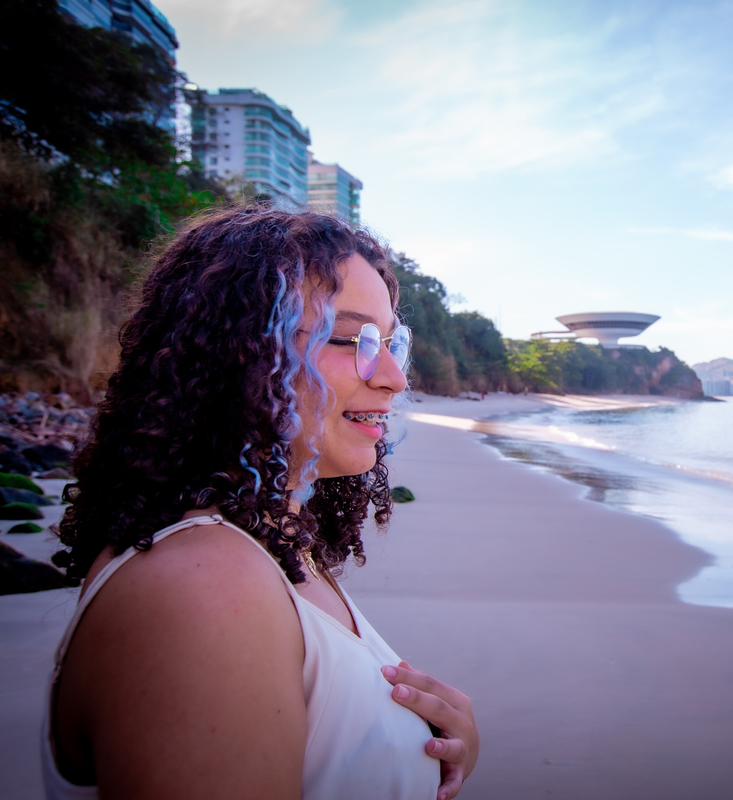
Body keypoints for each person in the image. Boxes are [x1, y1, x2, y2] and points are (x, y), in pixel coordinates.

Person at [44, 205, 478, 800]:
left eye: (390, 343)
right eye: (350, 339)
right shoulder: (203, 584)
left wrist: (427, 759)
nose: (393, 378)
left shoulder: (266, 548)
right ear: (239, 352)